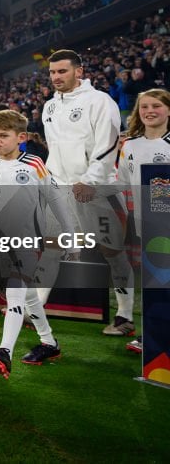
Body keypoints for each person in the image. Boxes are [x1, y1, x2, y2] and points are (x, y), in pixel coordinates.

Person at [0, 111, 76, 378]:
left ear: (21, 137)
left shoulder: (34, 163)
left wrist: (70, 236)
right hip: (4, 242)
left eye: (4, 136)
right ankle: (49, 343)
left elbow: (56, 201)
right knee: (28, 295)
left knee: (14, 293)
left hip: (30, 241)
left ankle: (4, 352)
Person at [38, 50, 131, 335]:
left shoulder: (100, 101)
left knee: (111, 251)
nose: (56, 77)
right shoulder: (49, 107)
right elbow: (54, 149)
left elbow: (108, 144)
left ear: (79, 71)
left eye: (62, 71)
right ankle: (35, 308)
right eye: (52, 73)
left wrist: (90, 180)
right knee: (53, 247)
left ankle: (125, 316)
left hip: (96, 189)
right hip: (62, 189)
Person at [101, 88, 170, 355]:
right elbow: (120, 183)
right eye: (144, 107)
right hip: (146, 225)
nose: (150, 111)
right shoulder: (130, 145)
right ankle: (152, 335)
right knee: (155, 282)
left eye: (157, 106)